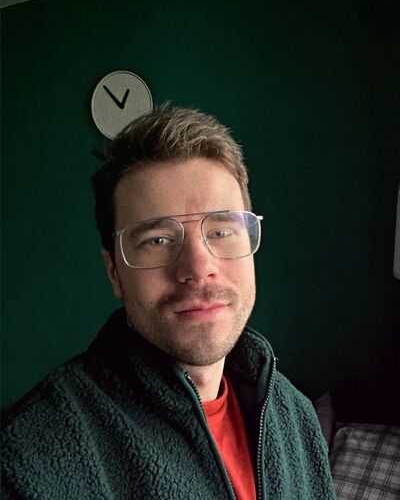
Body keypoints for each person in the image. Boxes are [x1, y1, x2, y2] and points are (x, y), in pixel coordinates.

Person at [1, 106, 336, 499]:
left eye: (221, 230)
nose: (198, 268)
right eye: (157, 240)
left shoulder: (295, 414)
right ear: (114, 272)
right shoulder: (29, 459)